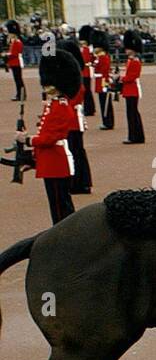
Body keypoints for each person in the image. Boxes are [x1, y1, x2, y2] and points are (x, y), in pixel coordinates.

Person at [29, 50, 81, 224]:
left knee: (60, 206)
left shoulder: (60, 107)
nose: (45, 86)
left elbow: (48, 138)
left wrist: (29, 140)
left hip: (55, 162)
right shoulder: (55, 105)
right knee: (57, 203)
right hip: (51, 161)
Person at [58, 40, 93, 195]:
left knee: (76, 150)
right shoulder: (69, 75)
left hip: (73, 118)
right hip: (70, 117)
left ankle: (82, 183)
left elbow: (75, 97)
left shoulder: (75, 77)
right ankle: (78, 181)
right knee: (74, 150)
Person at [120, 30, 145, 143]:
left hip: (132, 90)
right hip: (129, 90)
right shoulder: (130, 61)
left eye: (128, 48)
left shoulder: (135, 61)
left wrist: (121, 79)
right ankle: (135, 136)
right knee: (132, 114)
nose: (126, 50)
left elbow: (132, 76)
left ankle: (135, 136)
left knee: (132, 114)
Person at [92, 30, 115, 129]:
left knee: (105, 103)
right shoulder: (99, 57)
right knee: (103, 103)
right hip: (99, 82)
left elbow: (105, 73)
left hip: (103, 83)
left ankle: (108, 122)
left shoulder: (104, 58)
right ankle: (106, 121)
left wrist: (104, 86)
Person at [77, 25, 96, 119]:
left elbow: (84, 60)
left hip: (86, 72)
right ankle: (89, 108)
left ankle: (89, 109)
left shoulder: (86, 49)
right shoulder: (86, 49)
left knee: (86, 91)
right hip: (85, 71)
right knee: (87, 91)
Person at [5, 20, 24, 101]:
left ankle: (20, 95)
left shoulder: (16, 42)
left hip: (16, 62)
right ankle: (20, 94)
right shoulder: (14, 42)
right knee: (18, 80)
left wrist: (6, 55)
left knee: (18, 80)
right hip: (14, 63)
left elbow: (14, 54)